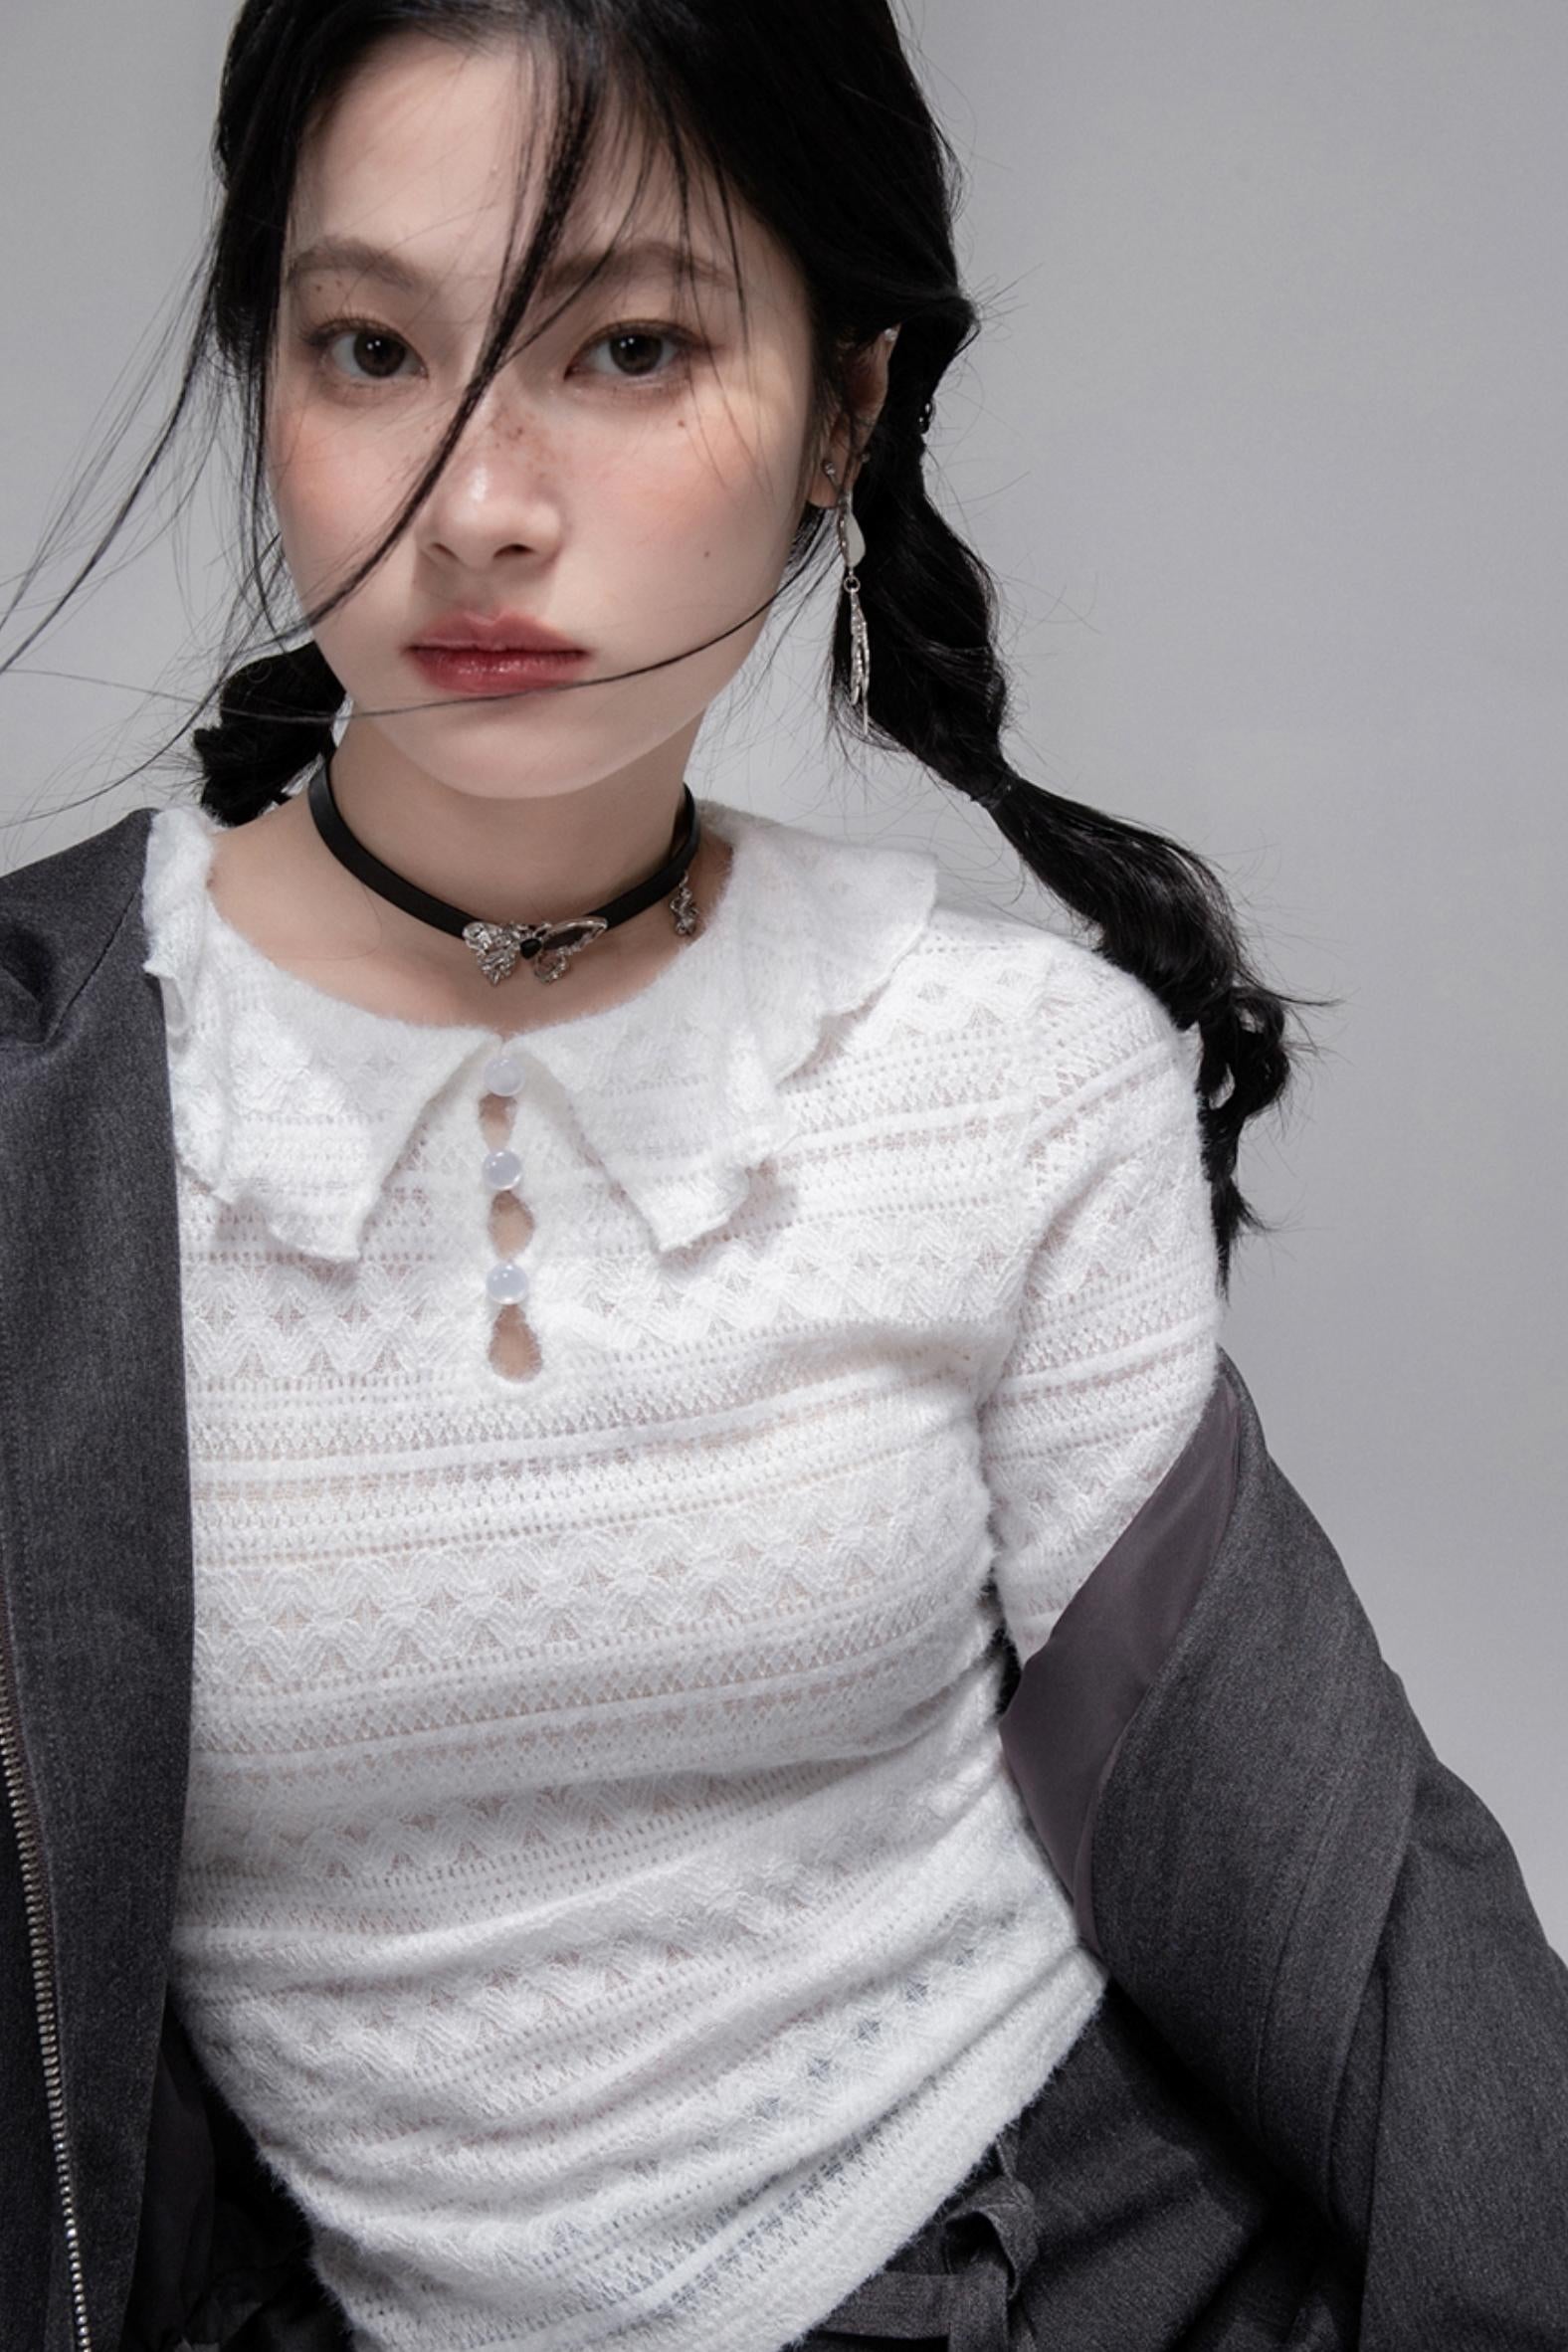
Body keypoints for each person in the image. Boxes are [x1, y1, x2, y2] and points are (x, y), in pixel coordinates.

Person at [1, 6, 1563, 2350]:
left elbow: (1341, 1920)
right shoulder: (49, 1109)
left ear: (843, 409)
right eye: (370, 349)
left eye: (626, 347)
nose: (480, 502)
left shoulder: (995, 1073)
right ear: (265, 378)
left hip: (1081, 2273)